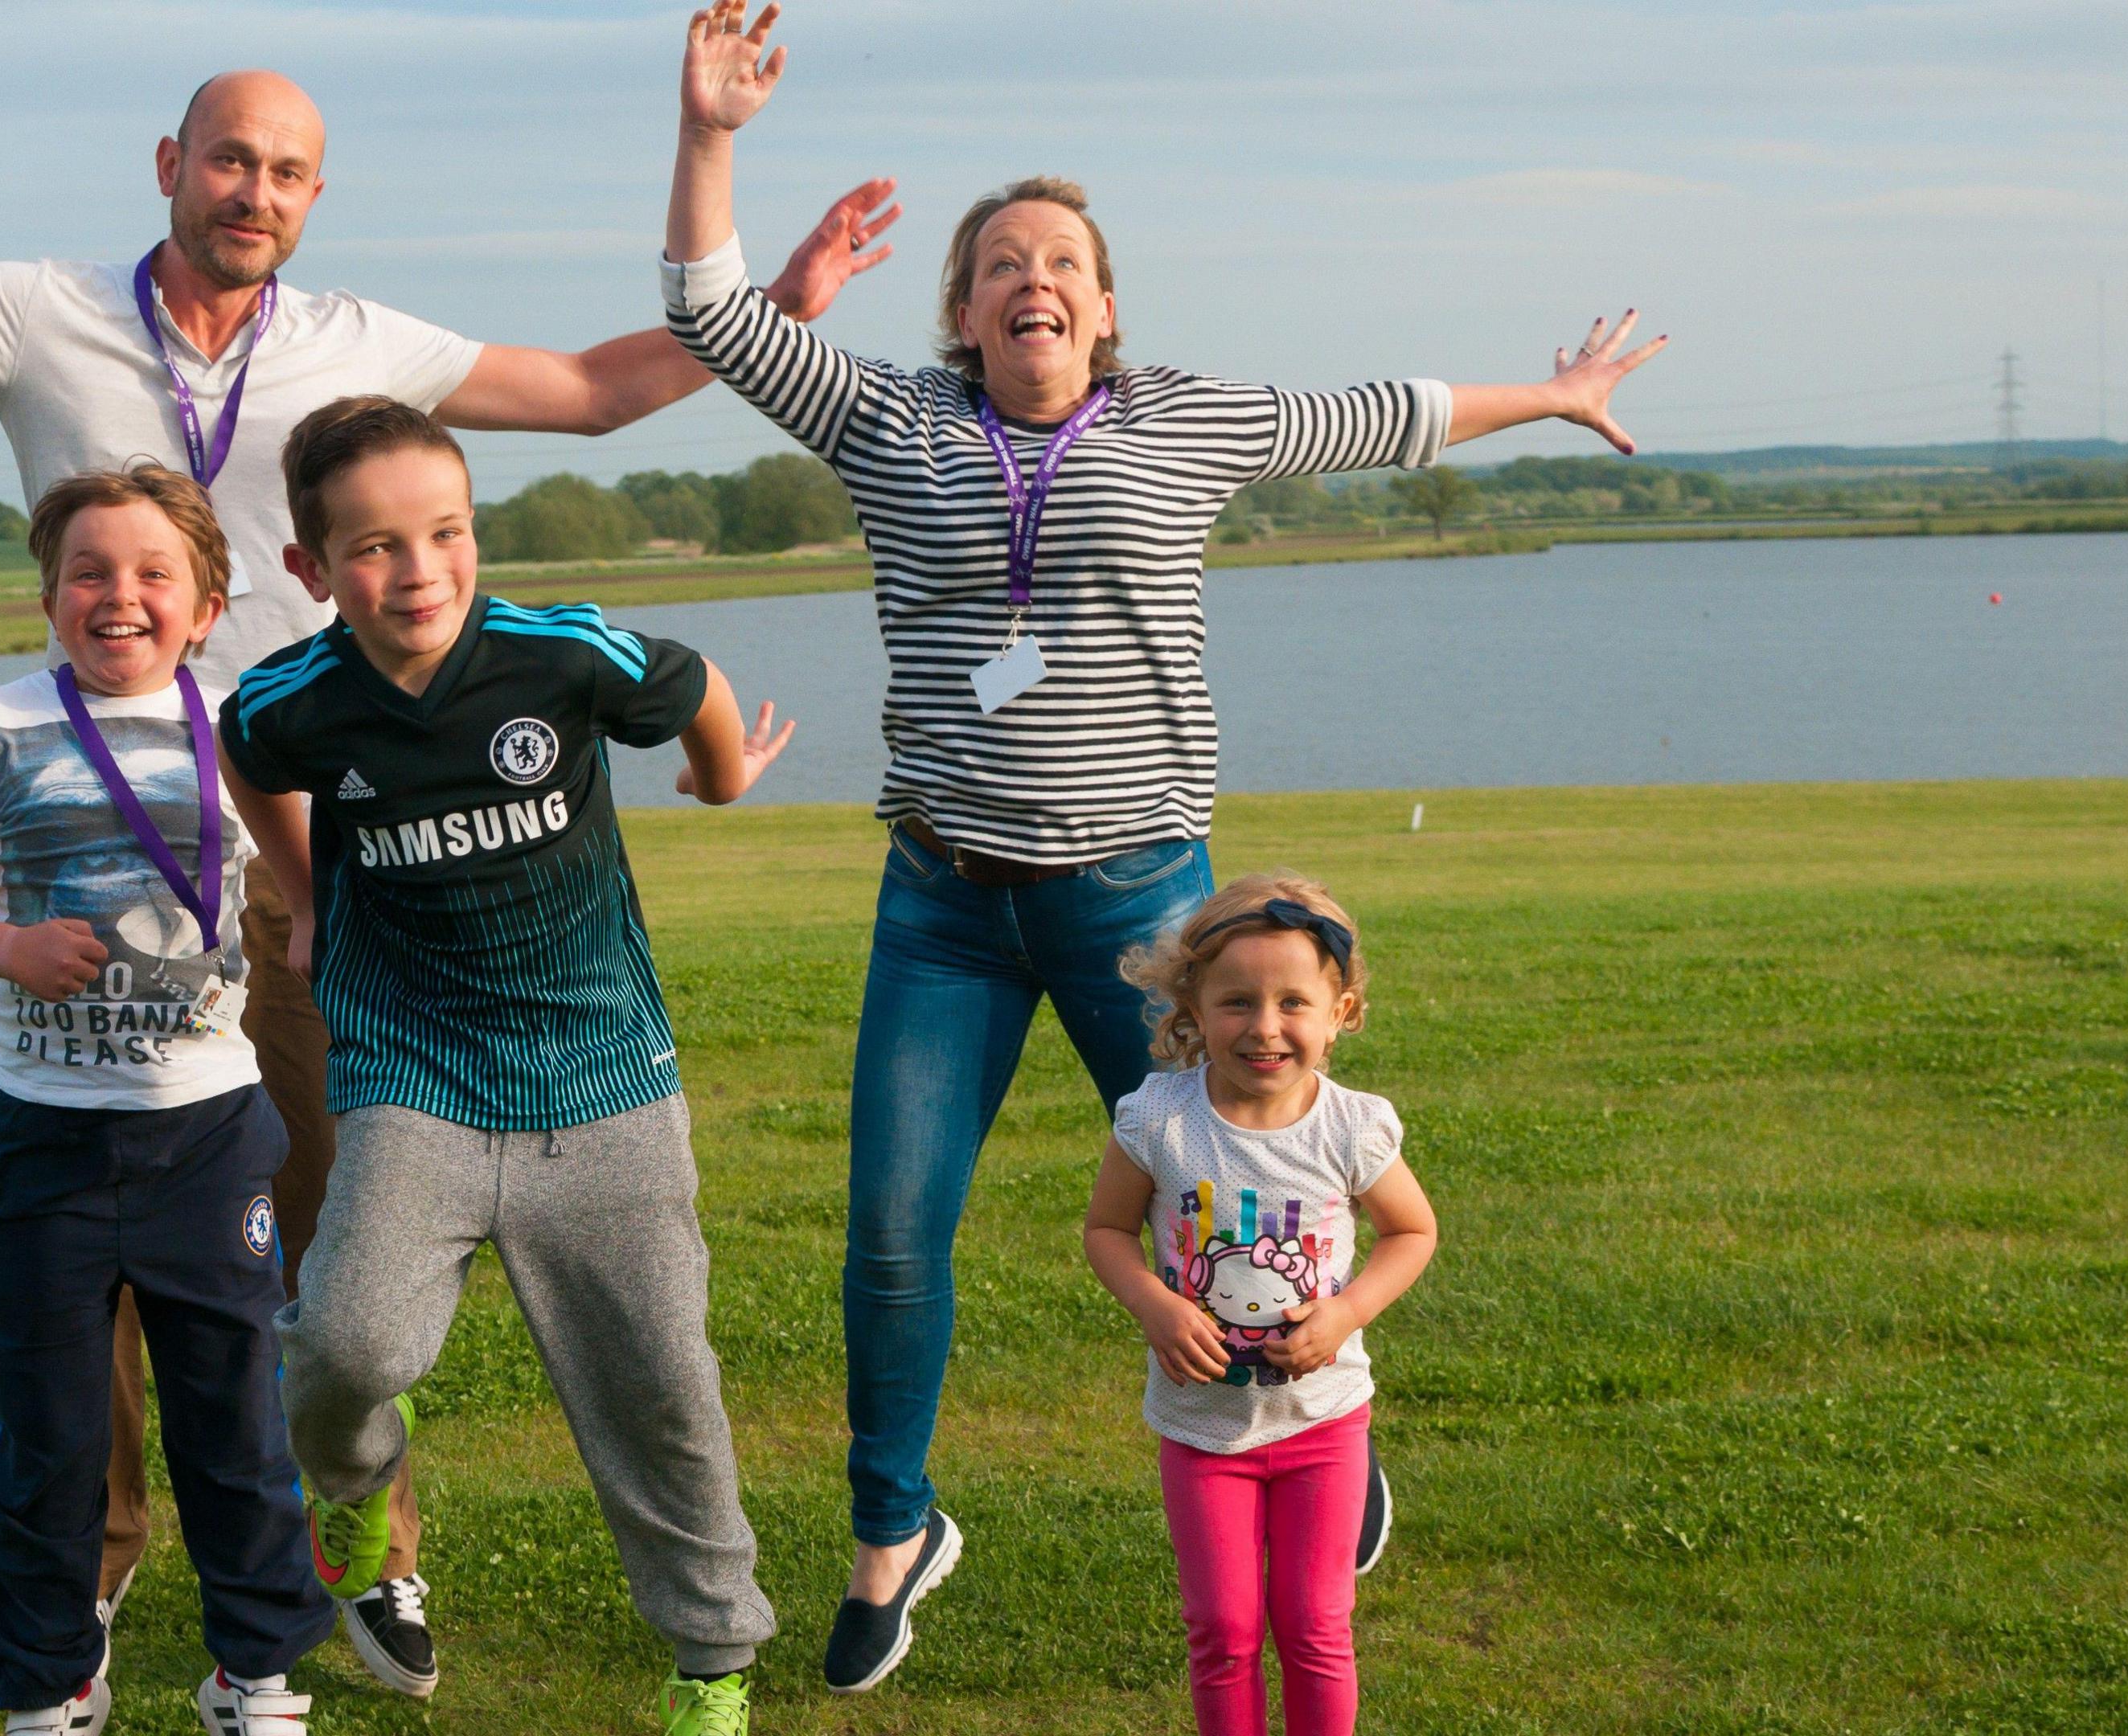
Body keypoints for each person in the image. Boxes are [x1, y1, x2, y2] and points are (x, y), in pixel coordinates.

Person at [0, 27, 892, 1694]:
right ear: (168, 165)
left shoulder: (354, 342)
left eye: (290, 170)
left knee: (334, 1235)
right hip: (104, 834)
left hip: (319, 845)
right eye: (230, 157)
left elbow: (600, 392)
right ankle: (102, 1563)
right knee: (98, 1216)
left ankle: (363, 1548)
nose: (256, 190)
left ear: (317, 198)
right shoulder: (35, 316)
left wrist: (786, 310)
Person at [657, 1, 1665, 1692]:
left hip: (1146, 909)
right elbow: (700, 308)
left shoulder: (1185, 418)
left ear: (1105, 308)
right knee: (894, 1234)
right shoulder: (887, 421)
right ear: (963, 312)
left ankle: (1311, 1432)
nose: (1029, 278)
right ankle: (894, 1535)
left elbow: (1388, 413)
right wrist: (713, 136)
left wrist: (1553, 395)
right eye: (997, 264)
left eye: (1060, 260)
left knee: (1239, 1192)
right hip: (948, 907)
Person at [216, 396, 793, 1736]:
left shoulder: (558, 654)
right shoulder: (292, 701)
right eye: (371, 549)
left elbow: (694, 677)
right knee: (346, 1345)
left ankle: (712, 1668)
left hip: (603, 1084)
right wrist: (303, 898)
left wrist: (720, 777)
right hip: (412, 1078)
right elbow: (251, 763)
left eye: (445, 534)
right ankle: (354, 1511)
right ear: (311, 572)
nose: (416, 572)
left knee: (662, 1391)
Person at [0, 465, 324, 1736]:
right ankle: (50, 1680)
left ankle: (256, 1675)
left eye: (150, 575)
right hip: (44, 1146)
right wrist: (8, 949)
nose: (117, 595)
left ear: (205, 603)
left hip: (211, 1137)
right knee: (51, 1444)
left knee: (238, 1430)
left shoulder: (239, 723)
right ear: (47, 595)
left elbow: (303, 879)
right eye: (87, 571)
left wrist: (322, 935)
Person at [1084, 875, 1437, 1736]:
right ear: (1192, 1008)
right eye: (1237, 1001)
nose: (1266, 1027)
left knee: (1316, 1628)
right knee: (1224, 1631)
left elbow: (1412, 1233)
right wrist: (1155, 1308)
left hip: (1321, 1424)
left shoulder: (1350, 1128)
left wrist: (1346, 1315)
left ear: (1341, 1012)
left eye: (1294, 1002)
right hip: (1201, 1430)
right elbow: (1107, 1231)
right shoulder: (1158, 1121)